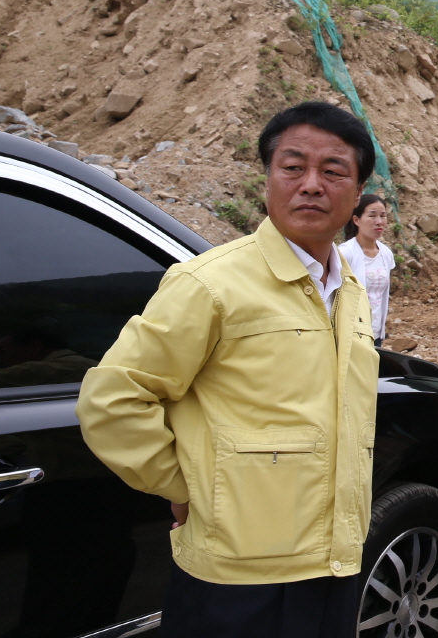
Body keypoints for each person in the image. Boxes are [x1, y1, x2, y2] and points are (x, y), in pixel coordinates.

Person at [76, 102, 380, 638]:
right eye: (293, 167)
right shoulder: (211, 284)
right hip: (236, 577)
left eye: (334, 171)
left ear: (356, 197)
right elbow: (114, 397)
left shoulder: (349, 291)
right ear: (267, 180)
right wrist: (182, 483)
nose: (311, 184)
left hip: (332, 565)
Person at [339, 193, 394, 346]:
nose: (379, 222)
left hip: (375, 331)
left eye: (383, 216)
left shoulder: (386, 254)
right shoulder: (345, 253)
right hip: (351, 333)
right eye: (372, 216)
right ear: (356, 220)